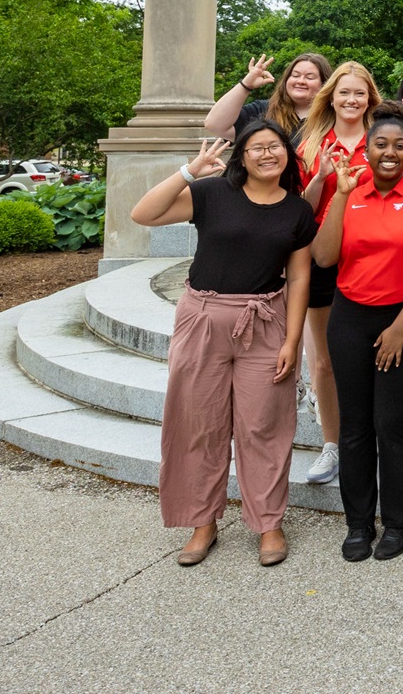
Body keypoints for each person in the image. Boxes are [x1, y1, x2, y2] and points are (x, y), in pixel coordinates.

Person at [132, 122, 314, 569]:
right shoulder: (213, 194)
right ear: (242, 156)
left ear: (286, 156)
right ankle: (202, 521)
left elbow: (301, 277)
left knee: (263, 426)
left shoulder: (296, 210)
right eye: (257, 148)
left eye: (275, 147)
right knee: (199, 423)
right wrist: (188, 171)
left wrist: (293, 340)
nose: (267, 154)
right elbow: (144, 214)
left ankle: (268, 523)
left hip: (265, 321)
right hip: (204, 318)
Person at [309, 103, 403, 562]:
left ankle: (397, 522)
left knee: (392, 423)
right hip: (351, 318)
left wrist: (399, 328)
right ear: (366, 149)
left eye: (399, 145)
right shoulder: (351, 193)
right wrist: (340, 196)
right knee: (354, 426)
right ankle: (357, 524)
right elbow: (325, 258)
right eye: (380, 145)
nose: (390, 153)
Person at [290, 60, 383, 486]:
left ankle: (370, 440)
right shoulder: (309, 143)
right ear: (331, 97)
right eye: (344, 93)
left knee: (375, 356)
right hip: (320, 256)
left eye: (359, 93)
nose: (351, 100)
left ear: (370, 99)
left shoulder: (382, 141)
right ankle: (332, 444)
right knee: (323, 360)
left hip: (372, 257)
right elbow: (297, 212)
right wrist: (321, 177)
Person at [205, 51, 332, 142]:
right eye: (295, 75)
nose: (301, 81)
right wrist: (246, 85)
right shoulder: (262, 110)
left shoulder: (333, 117)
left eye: (310, 77)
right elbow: (214, 125)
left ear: (324, 83)